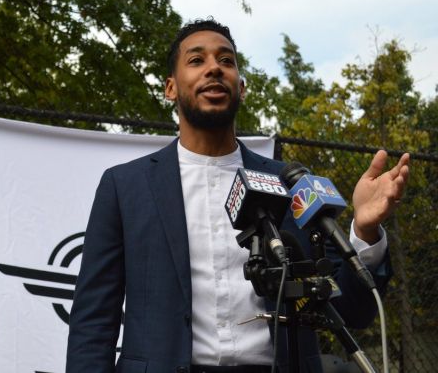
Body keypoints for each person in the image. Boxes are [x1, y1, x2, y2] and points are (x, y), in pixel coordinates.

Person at [66, 19, 409, 373]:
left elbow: (354, 310)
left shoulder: (291, 182)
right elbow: (93, 322)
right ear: (170, 88)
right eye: (197, 60)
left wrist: (365, 232)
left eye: (226, 61)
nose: (214, 68)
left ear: (241, 88)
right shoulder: (125, 187)